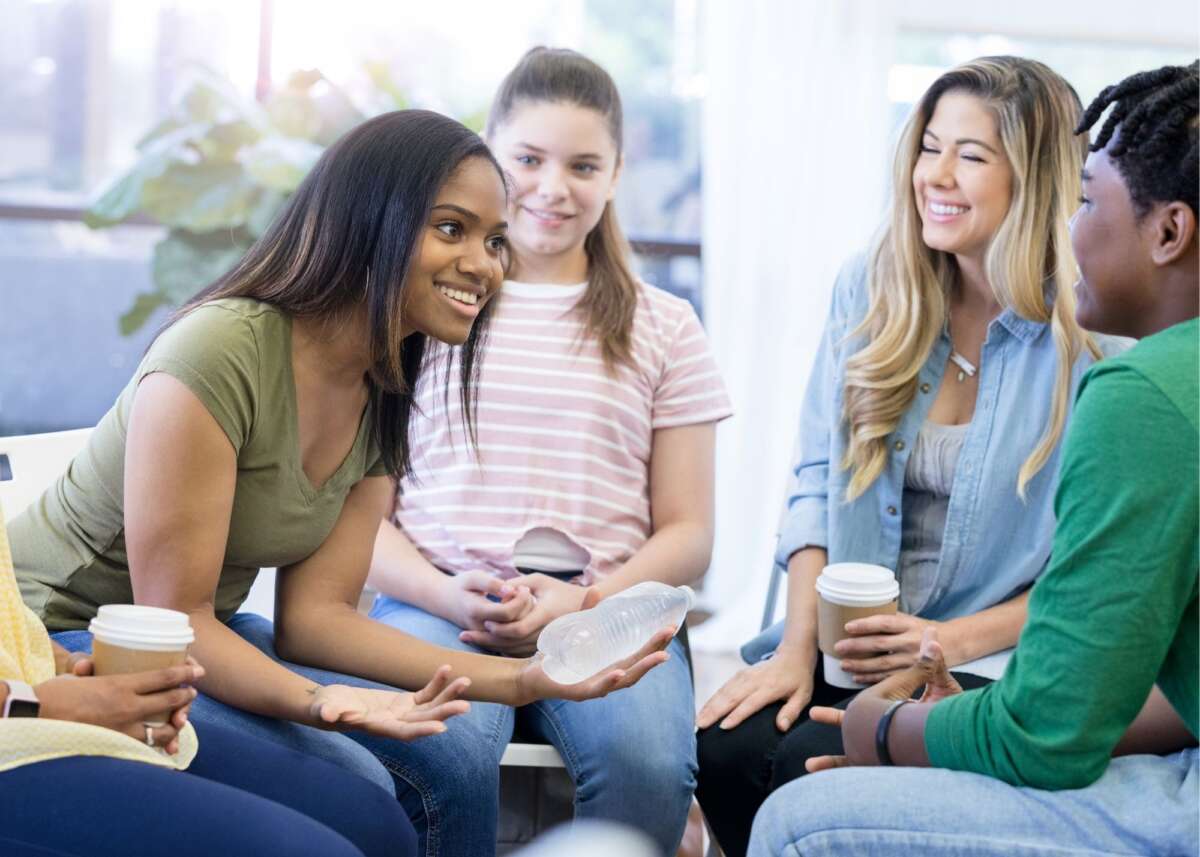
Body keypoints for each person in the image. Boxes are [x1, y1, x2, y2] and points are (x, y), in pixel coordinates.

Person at [10, 109, 671, 853]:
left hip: (196, 635)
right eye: (451, 229)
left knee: (450, 757)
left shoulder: (383, 379)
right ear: (370, 222)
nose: (485, 264)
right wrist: (326, 700)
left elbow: (316, 617)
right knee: (363, 801)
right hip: (62, 643)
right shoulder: (220, 350)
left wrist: (524, 681)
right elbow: (180, 617)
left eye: (493, 240)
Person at [749, 60, 1199, 857]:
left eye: (1087, 201)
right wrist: (799, 647)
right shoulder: (872, 286)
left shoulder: (1127, 376)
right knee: (738, 744)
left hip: (1010, 665)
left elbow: (1057, 713)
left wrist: (887, 721)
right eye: (929, 147)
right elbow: (814, 482)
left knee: (796, 796)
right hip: (870, 643)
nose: (939, 175)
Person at [366, 47, 731, 856]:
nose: (551, 188)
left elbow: (688, 534)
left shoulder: (664, 325)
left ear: (617, 172)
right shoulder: (421, 308)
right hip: (439, 600)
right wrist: (445, 592)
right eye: (527, 159)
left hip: (605, 609)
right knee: (437, 749)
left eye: (583, 165)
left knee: (645, 762)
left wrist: (588, 602)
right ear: (487, 154)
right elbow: (364, 523)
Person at [0, 496, 415, 857]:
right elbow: (191, 609)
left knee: (376, 822)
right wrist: (39, 703)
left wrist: (64, 664)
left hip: (38, 693)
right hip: (19, 724)